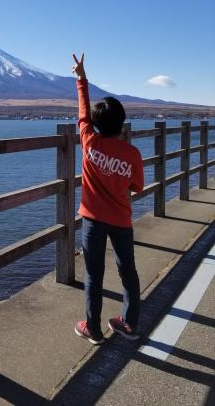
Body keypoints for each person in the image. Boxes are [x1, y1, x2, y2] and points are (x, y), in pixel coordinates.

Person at [72, 52, 144, 345]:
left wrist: (81, 79)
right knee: (128, 271)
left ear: (98, 124)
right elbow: (138, 186)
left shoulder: (89, 140)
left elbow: (82, 114)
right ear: (123, 122)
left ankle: (94, 328)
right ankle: (129, 323)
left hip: (92, 219)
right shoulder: (132, 153)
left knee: (93, 275)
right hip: (121, 221)